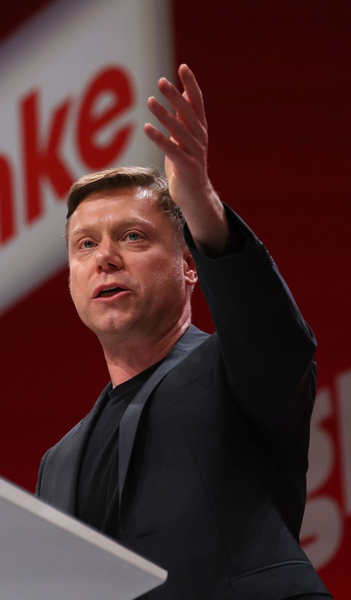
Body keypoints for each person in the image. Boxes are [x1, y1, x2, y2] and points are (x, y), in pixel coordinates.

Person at [35, 64, 331, 599]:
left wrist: (200, 204)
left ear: (189, 265)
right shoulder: (56, 464)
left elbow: (274, 336)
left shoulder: (234, 371)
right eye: (85, 244)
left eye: (132, 236)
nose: (105, 257)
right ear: (72, 281)